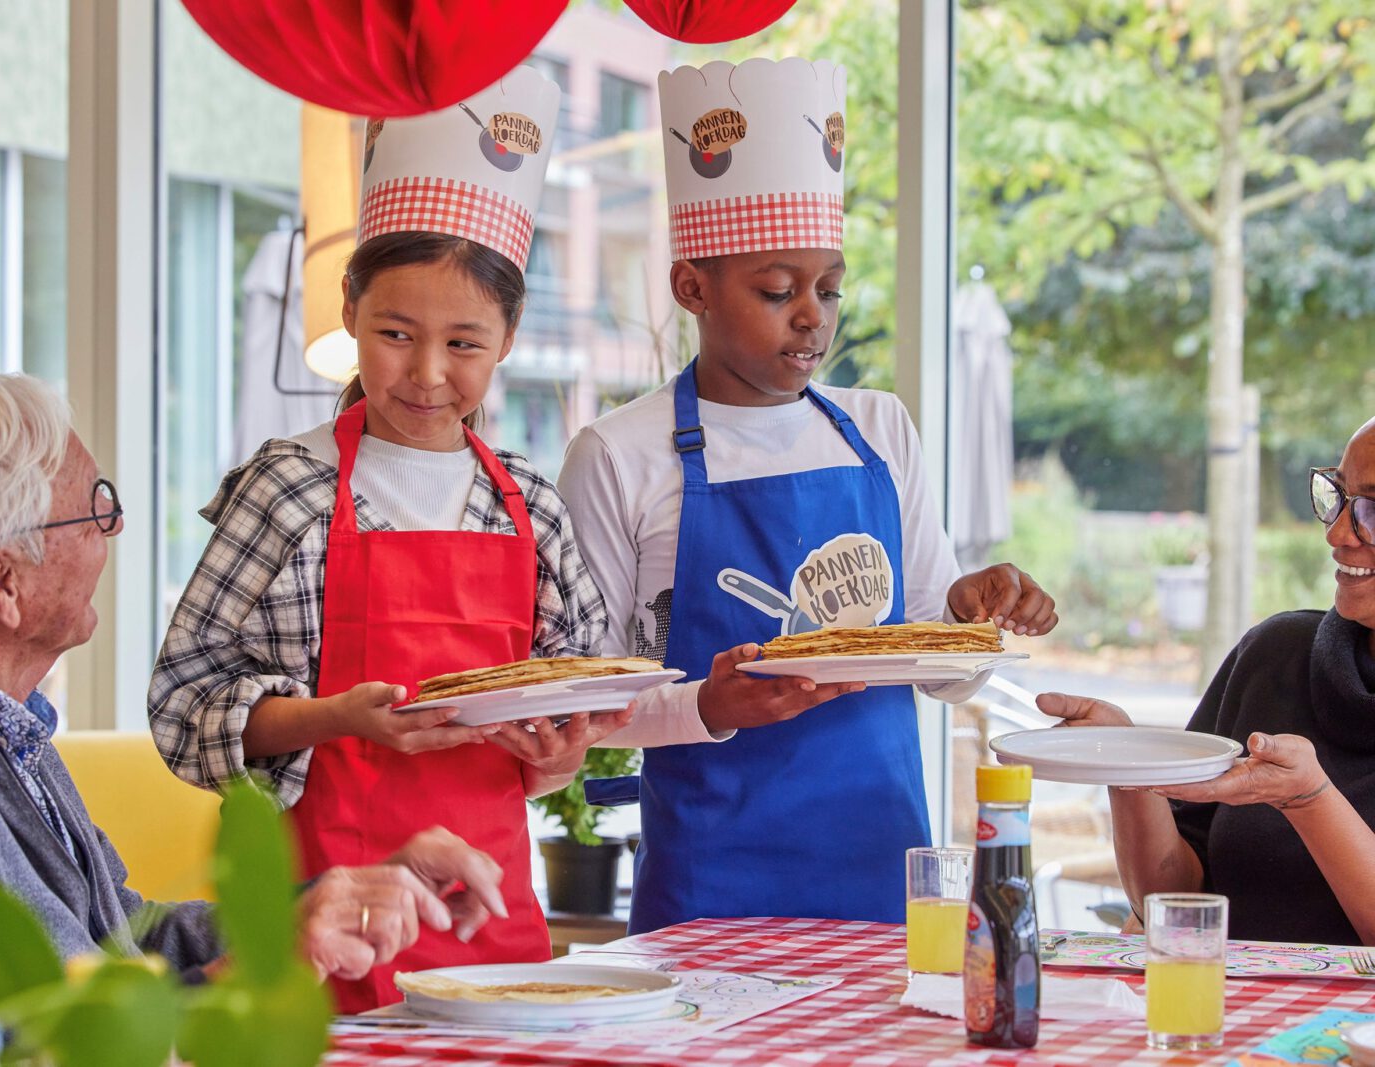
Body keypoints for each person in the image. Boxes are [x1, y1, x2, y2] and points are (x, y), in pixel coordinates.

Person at [148, 67, 690, 1011]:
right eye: (395, 332)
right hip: (322, 936)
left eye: (465, 344)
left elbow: (589, 691)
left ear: (510, 334)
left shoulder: (528, 502)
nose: (428, 373)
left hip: (494, 938)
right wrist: (335, 717)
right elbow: (179, 705)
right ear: (350, 302)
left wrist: (559, 751)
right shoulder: (290, 490)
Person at [0, 373, 509, 986]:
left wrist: (329, 898)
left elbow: (118, 942)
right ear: (0, 581)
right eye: (95, 507)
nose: (113, 530)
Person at [559, 57, 1058, 935]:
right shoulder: (617, 453)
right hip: (710, 889)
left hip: (885, 873)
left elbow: (940, 663)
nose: (813, 318)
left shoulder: (879, 427)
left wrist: (971, 612)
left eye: (828, 289)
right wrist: (714, 706)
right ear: (691, 288)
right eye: (776, 291)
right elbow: (589, 701)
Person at [1039, 416, 1375, 946]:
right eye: (1338, 496)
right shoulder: (1275, 654)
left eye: (1372, 511)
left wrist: (1310, 799)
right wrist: (1128, 764)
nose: (1336, 533)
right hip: (1220, 1016)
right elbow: (1172, 899)